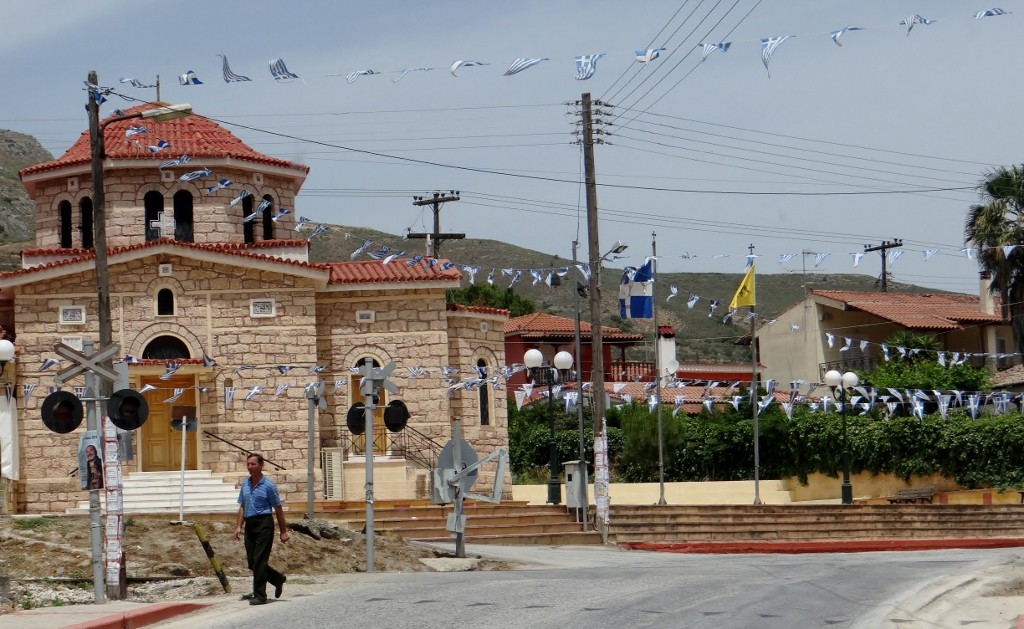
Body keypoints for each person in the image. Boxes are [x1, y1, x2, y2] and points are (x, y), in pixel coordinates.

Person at [234, 452, 288, 605]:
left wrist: (283, 531)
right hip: (250, 524)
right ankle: (277, 579)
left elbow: (278, 509)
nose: (250, 467)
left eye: (253, 464)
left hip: (264, 524)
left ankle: (260, 595)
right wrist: (239, 526)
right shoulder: (245, 484)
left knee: (259, 560)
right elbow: (243, 506)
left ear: (261, 465)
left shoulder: (269, 486)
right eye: (248, 464)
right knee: (252, 562)